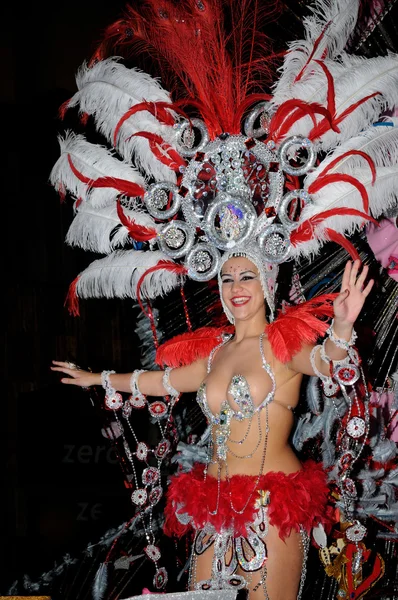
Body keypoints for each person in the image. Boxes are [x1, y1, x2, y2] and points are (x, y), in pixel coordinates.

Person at [51, 254, 373, 600]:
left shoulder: (282, 343)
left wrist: (342, 326)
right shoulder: (216, 352)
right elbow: (163, 381)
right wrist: (99, 378)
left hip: (270, 502)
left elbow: (325, 361)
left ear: (267, 282)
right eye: (227, 279)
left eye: (246, 276)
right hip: (214, 501)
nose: (236, 287)